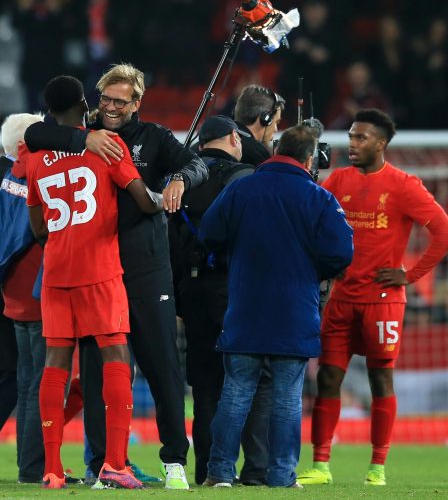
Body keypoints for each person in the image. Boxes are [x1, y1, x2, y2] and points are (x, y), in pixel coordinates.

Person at [23, 63, 206, 489]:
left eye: (120, 101)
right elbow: (34, 133)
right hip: (101, 270)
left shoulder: (155, 137)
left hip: (140, 271)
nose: (109, 108)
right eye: (104, 99)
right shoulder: (89, 138)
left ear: (137, 103)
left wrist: (179, 178)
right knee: (95, 374)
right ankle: (104, 461)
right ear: (93, 99)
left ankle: (173, 459)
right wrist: (85, 137)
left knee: (162, 367)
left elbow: (196, 164)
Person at [299, 109, 448, 487]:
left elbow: (446, 234)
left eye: (361, 138)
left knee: (380, 381)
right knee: (328, 379)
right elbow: (310, 221)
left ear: (381, 143)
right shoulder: (338, 180)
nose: (352, 144)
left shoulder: (404, 185)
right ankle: (321, 465)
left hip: (383, 301)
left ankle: (377, 468)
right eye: (351, 137)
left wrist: (409, 275)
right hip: (341, 299)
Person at [197, 124, 354, 488]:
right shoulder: (318, 198)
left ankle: (219, 472)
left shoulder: (242, 188)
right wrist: (318, 271)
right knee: (286, 398)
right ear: (309, 158)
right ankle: (282, 475)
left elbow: (209, 233)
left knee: (236, 392)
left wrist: (232, 256)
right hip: (295, 309)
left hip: (245, 305)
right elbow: (342, 252)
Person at [170, 115, 271, 485]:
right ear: (234, 137)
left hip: (193, 291)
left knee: (205, 386)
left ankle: (208, 472)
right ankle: (256, 469)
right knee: (252, 378)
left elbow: (171, 244)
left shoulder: (181, 180)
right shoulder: (244, 178)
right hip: (235, 288)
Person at [0, 112, 49, 483]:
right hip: (25, 292)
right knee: (31, 380)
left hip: (6, 291)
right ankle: (33, 467)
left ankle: (26, 463)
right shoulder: (18, 177)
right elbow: (25, 234)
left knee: (24, 379)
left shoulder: (3, 178)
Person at [232, 84, 285, 166]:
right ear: (265, 119)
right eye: (276, 122)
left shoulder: (222, 137)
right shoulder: (257, 153)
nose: (276, 129)